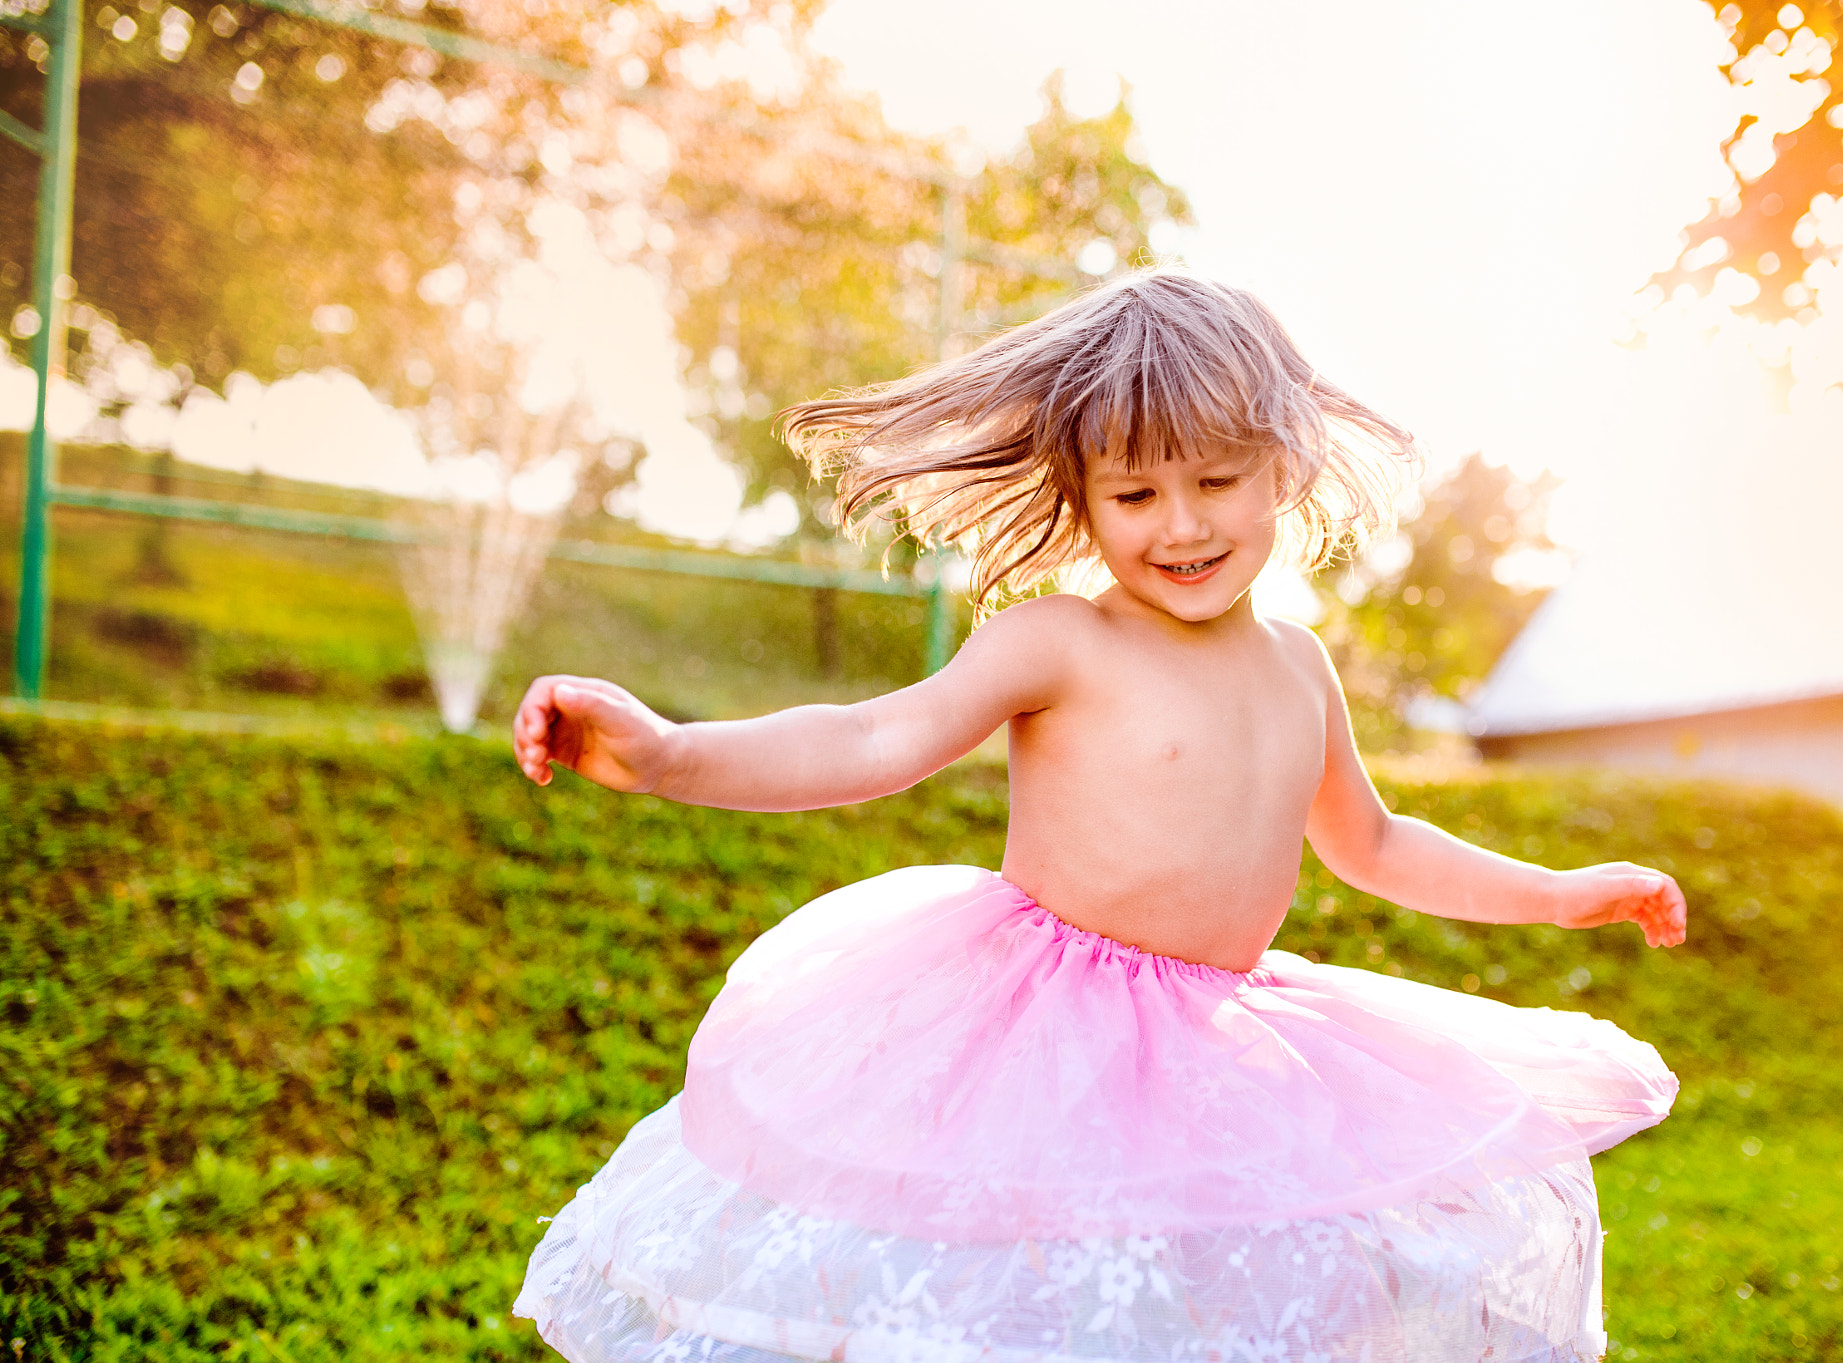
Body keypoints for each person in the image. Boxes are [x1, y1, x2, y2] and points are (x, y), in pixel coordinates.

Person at [510, 271, 1684, 1363]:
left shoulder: (1297, 667)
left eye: (1214, 479)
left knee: (1212, 1312)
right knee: (1036, 1315)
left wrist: (1561, 892)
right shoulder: (1059, 641)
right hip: (1039, 1038)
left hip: (1218, 1053)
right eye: (1134, 493)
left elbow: (1372, 842)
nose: (1178, 526)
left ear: (1283, 467)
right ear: (1080, 498)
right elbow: (874, 736)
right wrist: (667, 752)